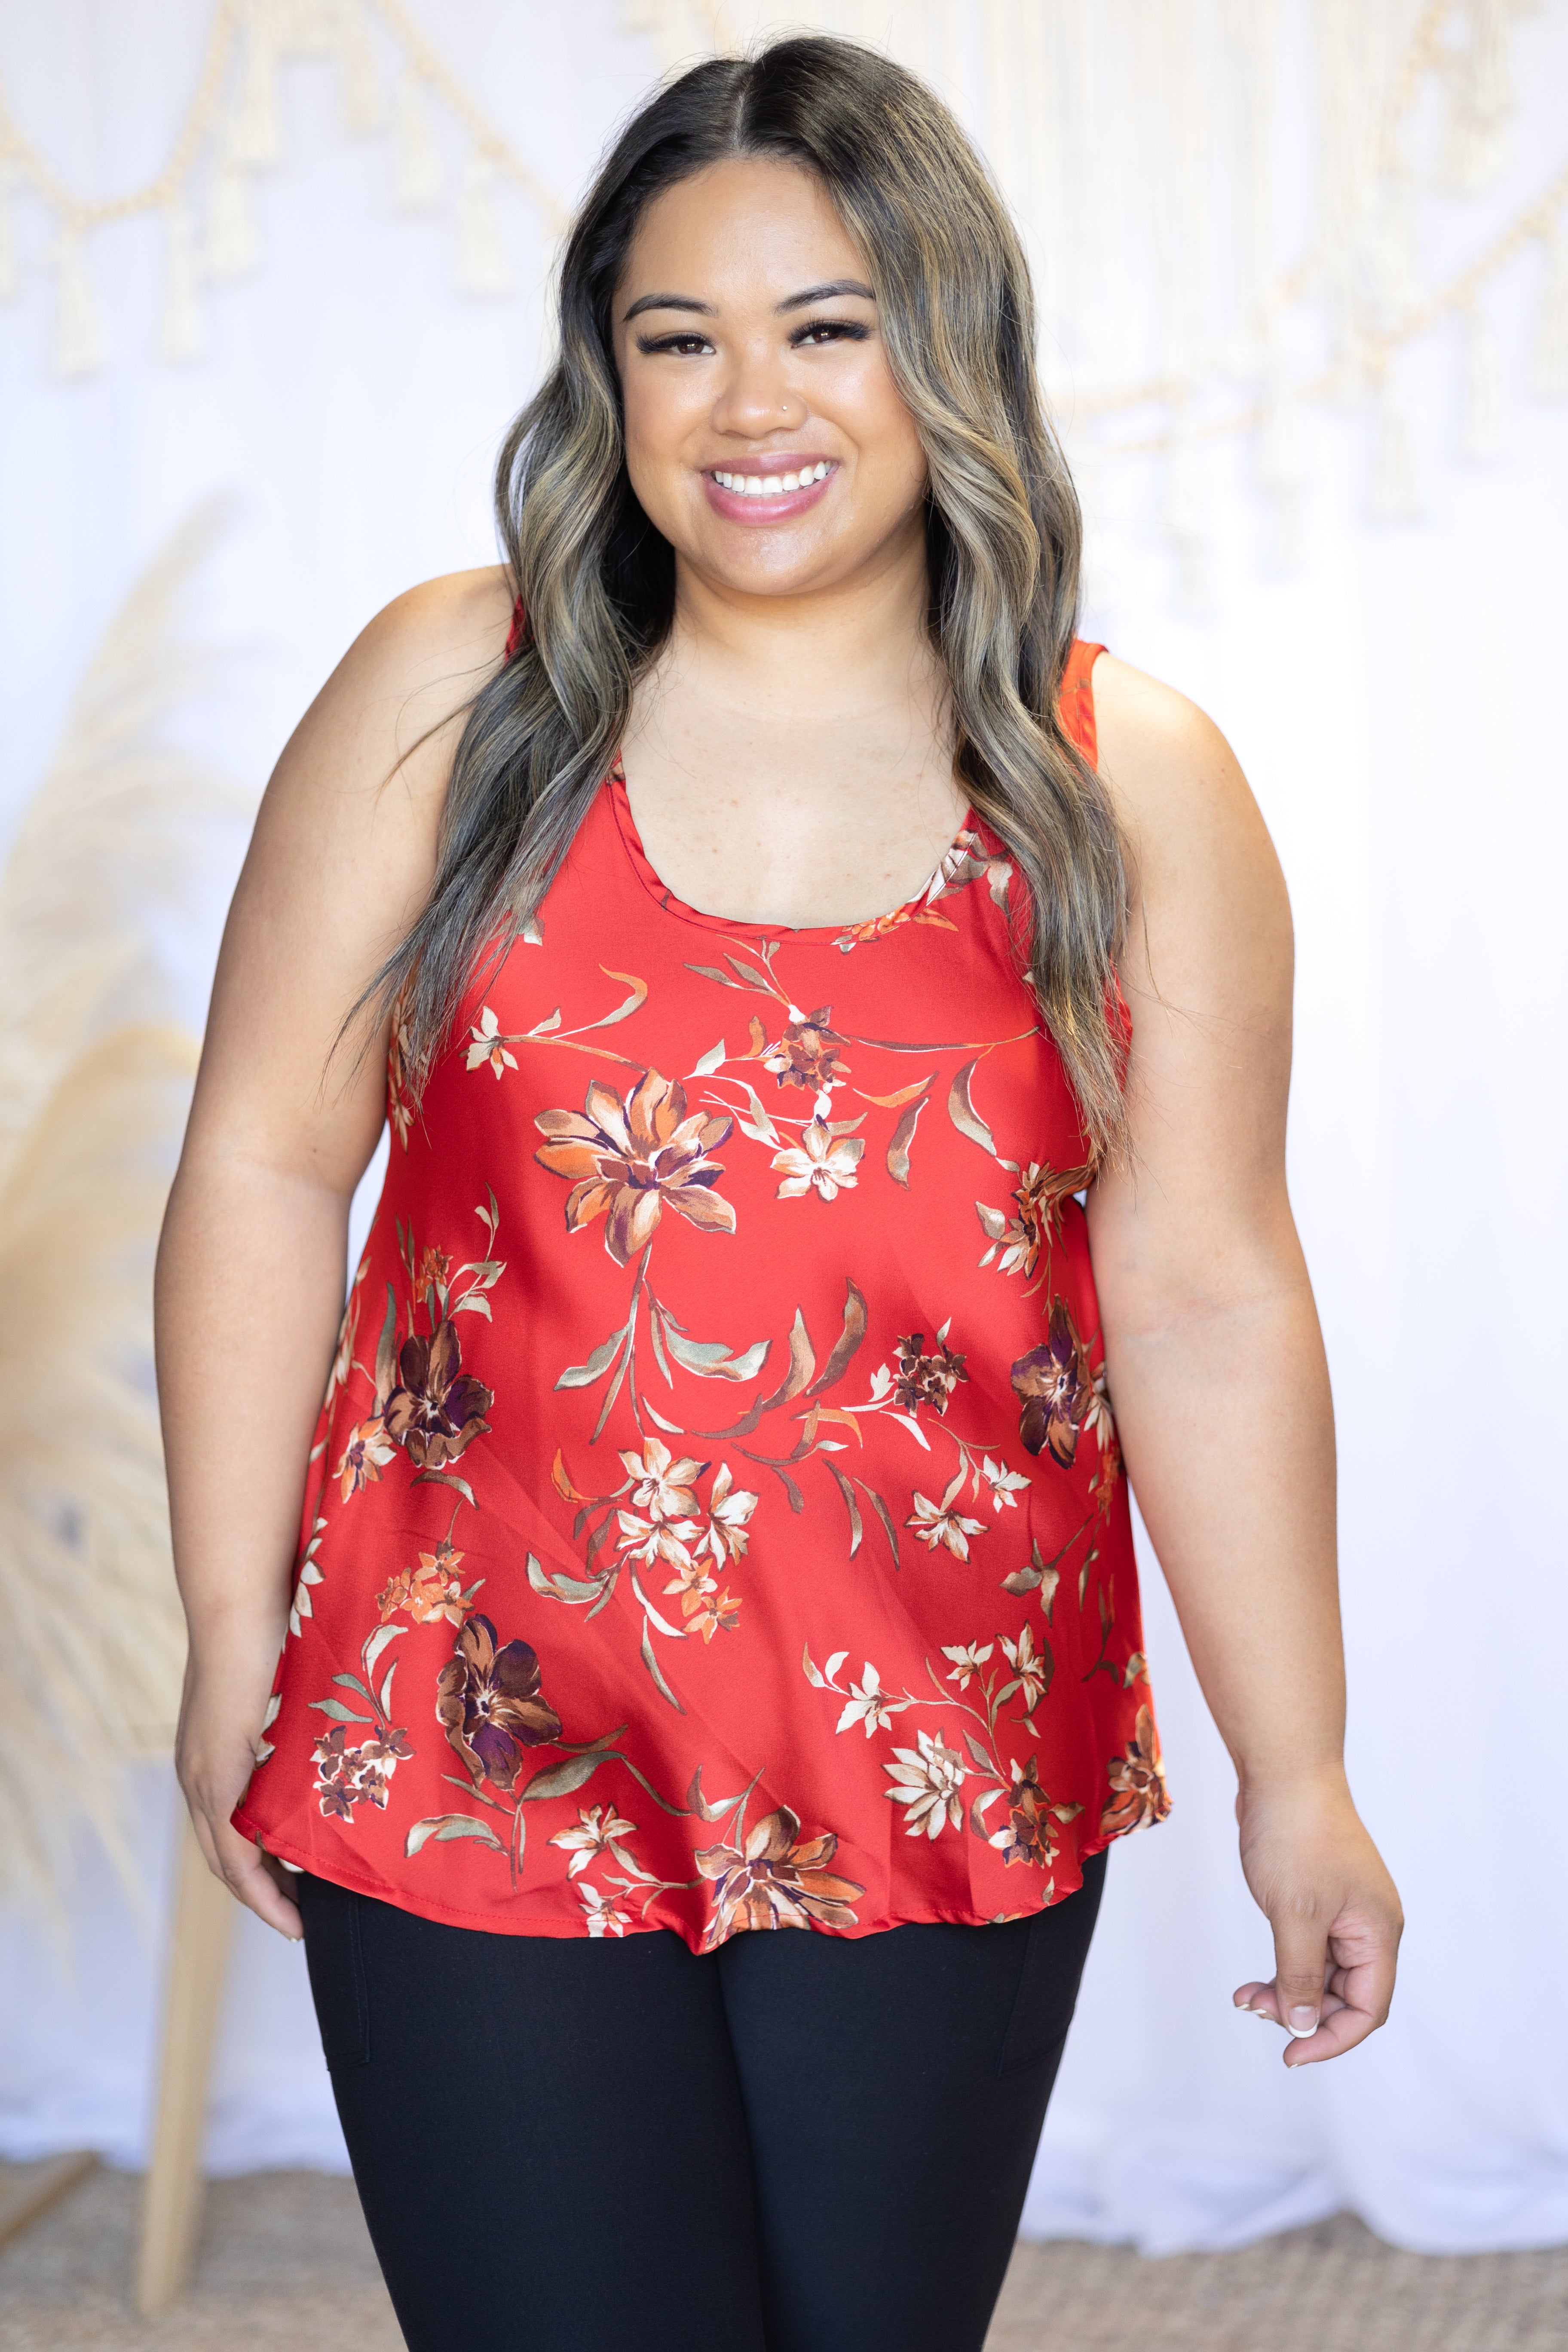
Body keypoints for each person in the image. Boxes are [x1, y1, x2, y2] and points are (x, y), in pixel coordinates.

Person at [156, 34, 1402, 2352]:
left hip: (945, 1732)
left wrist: (1299, 1772)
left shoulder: (1132, 787)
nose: (751, 403)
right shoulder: (451, 693)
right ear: (606, 378)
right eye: (679, 337)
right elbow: (261, 1158)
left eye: (829, 326)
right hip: (466, 1707)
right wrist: (238, 1630)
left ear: (950, 349)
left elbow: (1209, 1290)